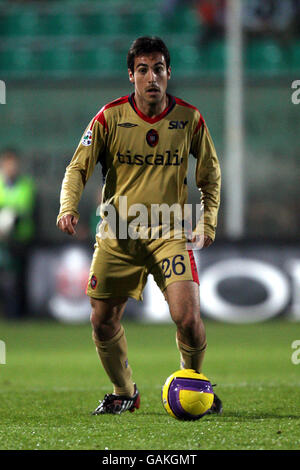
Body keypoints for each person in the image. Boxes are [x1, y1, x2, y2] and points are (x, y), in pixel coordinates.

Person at [57, 36, 222, 415]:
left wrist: (207, 221)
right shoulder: (109, 117)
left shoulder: (189, 119)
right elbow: (77, 168)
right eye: (143, 70)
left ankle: (192, 383)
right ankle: (124, 391)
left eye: (159, 69)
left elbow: (210, 175)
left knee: (189, 319)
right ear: (131, 75)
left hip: (169, 232)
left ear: (168, 73)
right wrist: (68, 206)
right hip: (118, 233)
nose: (152, 77)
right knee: (102, 321)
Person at [0, 148, 36, 318]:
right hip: (2, 241)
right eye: (8, 164)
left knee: (21, 280)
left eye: (13, 164)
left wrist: (11, 217)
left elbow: (25, 208)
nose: (11, 167)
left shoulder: (26, 185)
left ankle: (20, 315)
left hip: (20, 241)